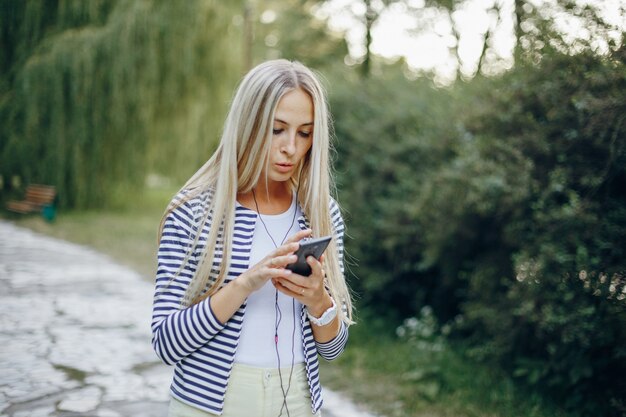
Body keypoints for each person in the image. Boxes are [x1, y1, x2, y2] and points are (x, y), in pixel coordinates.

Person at [151, 59, 354, 417]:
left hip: (296, 402)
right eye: (277, 129)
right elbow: (166, 343)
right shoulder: (194, 212)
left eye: (304, 133)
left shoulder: (321, 214)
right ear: (248, 126)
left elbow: (333, 349)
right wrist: (245, 283)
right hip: (208, 405)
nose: (291, 147)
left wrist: (319, 299)